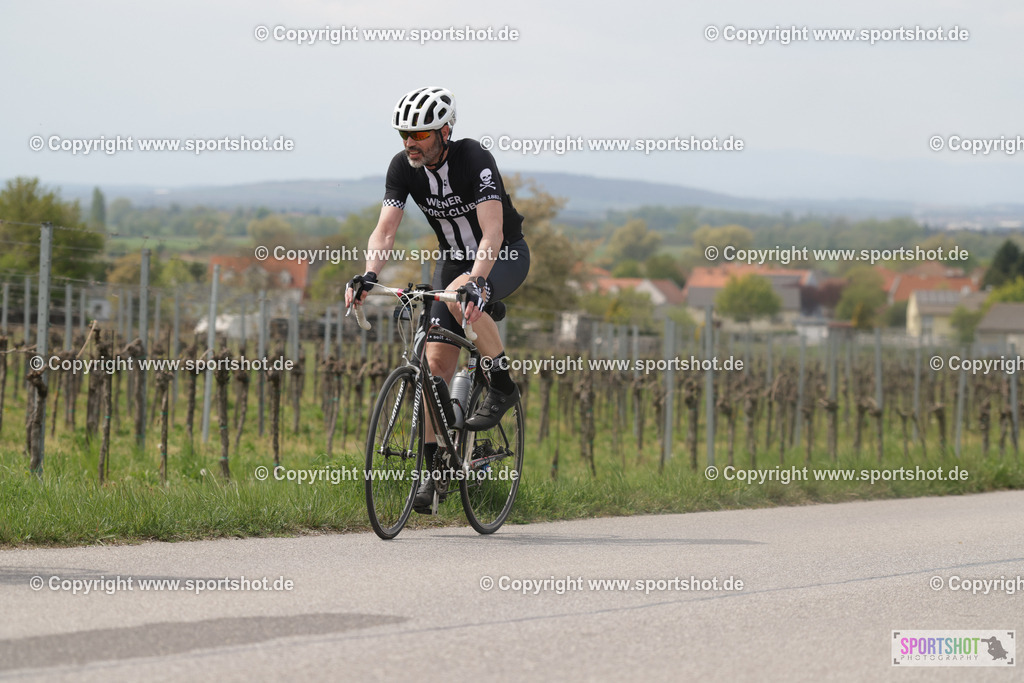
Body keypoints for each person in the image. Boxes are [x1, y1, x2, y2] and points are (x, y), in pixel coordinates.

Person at [345, 86, 530, 513]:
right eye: (404, 134)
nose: (410, 142)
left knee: (461, 292)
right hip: (451, 263)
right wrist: (370, 274)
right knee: (433, 366)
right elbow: (386, 229)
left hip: (502, 255)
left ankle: (501, 385)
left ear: (445, 131)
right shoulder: (403, 167)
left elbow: (492, 233)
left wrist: (479, 282)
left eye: (420, 134)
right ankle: (434, 469)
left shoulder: (474, 158)